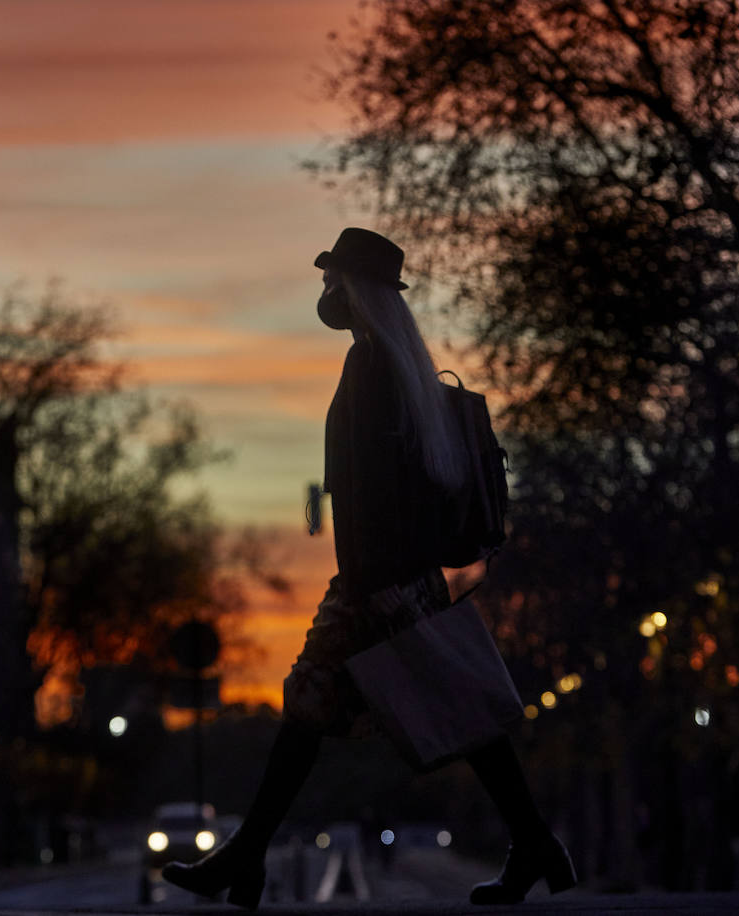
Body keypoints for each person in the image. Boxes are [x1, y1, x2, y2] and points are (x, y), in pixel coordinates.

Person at [161, 228, 575, 908]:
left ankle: (248, 856)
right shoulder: (391, 365)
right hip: (383, 580)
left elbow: (376, 494)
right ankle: (252, 855)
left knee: (373, 709)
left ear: (358, 291)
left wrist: (364, 585)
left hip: (375, 584)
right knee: (364, 708)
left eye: (333, 280)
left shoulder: (372, 367)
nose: (325, 292)